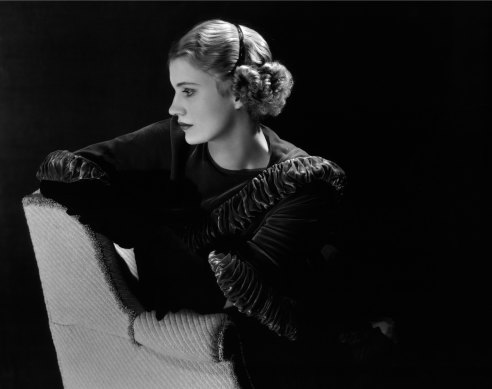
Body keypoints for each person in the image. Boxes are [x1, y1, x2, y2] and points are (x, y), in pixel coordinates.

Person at [36, 19, 391, 388]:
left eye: (188, 91)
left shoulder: (303, 179)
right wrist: (138, 226)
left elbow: (246, 293)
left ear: (240, 93)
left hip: (279, 336)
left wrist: (161, 234)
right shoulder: (172, 139)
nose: (174, 107)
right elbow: (62, 171)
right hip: (194, 316)